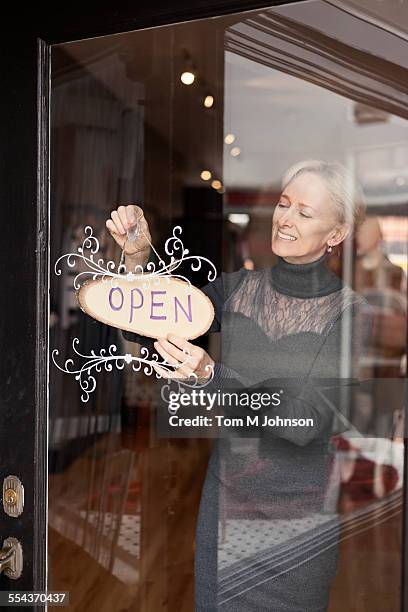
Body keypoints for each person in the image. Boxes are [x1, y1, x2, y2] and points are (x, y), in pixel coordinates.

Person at [106, 159, 371, 612]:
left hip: (299, 527)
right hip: (226, 510)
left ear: (336, 233)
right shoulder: (237, 289)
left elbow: (305, 419)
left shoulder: (348, 313)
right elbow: (149, 326)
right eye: (284, 204)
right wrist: (137, 259)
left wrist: (213, 376)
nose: (285, 219)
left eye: (305, 213)